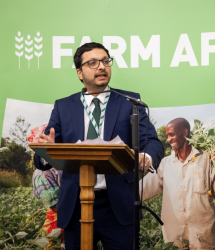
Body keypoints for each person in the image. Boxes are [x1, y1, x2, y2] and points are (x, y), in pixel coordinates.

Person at [33, 42, 164, 250]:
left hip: (118, 205)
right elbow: (41, 159)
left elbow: (153, 142)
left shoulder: (130, 102)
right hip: (75, 205)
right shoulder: (63, 106)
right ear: (79, 73)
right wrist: (46, 150)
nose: (101, 67)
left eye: (105, 61)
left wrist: (145, 158)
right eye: (92, 63)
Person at [140, 118, 215, 249]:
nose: (168, 139)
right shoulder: (165, 164)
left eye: (172, 135)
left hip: (203, 235)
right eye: (167, 136)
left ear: (185, 133)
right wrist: (120, 195)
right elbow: (143, 188)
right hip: (175, 235)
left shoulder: (206, 159)